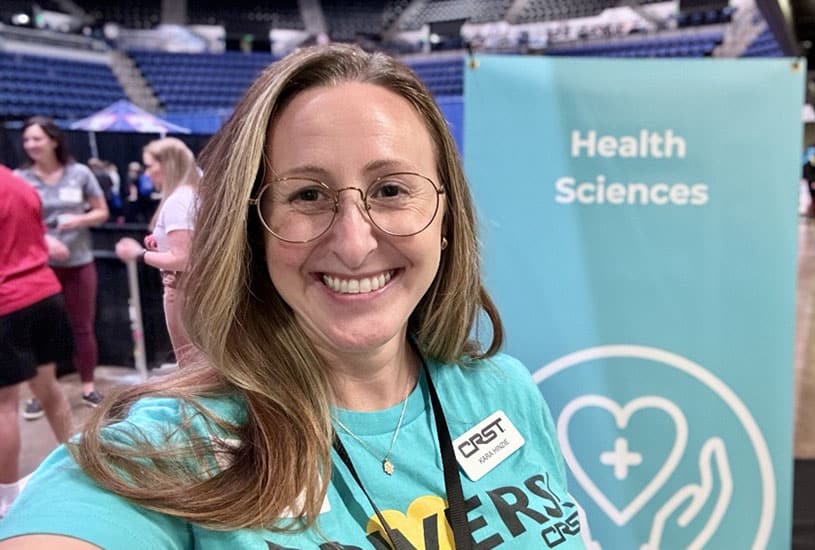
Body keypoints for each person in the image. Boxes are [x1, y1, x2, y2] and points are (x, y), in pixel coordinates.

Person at [0, 44, 584, 549]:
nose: (354, 243)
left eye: (390, 189)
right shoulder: (174, 445)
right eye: (307, 194)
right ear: (251, 227)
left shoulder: (504, 388)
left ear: (445, 217)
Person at [14, 117, 108, 418]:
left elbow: (101, 211)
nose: (31, 145)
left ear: (54, 140)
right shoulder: (20, 178)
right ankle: (41, 394)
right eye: (27, 140)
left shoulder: (79, 173)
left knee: (82, 326)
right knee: (37, 335)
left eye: (37, 139)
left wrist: (78, 220)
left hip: (79, 263)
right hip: (37, 269)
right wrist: (44, 241)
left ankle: (88, 386)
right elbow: (15, 223)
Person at [0, 165, 75, 517]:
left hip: (8, 302)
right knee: (49, 389)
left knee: (5, 405)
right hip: (45, 294)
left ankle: (7, 498)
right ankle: (79, 462)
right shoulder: (19, 184)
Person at [115, 138, 200, 367]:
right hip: (196, 288)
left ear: (167, 164)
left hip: (184, 290)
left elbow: (183, 260)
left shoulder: (179, 200)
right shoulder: (195, 193)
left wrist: (139, 254)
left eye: (150, 166)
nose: (147, 173)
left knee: (192, 367)